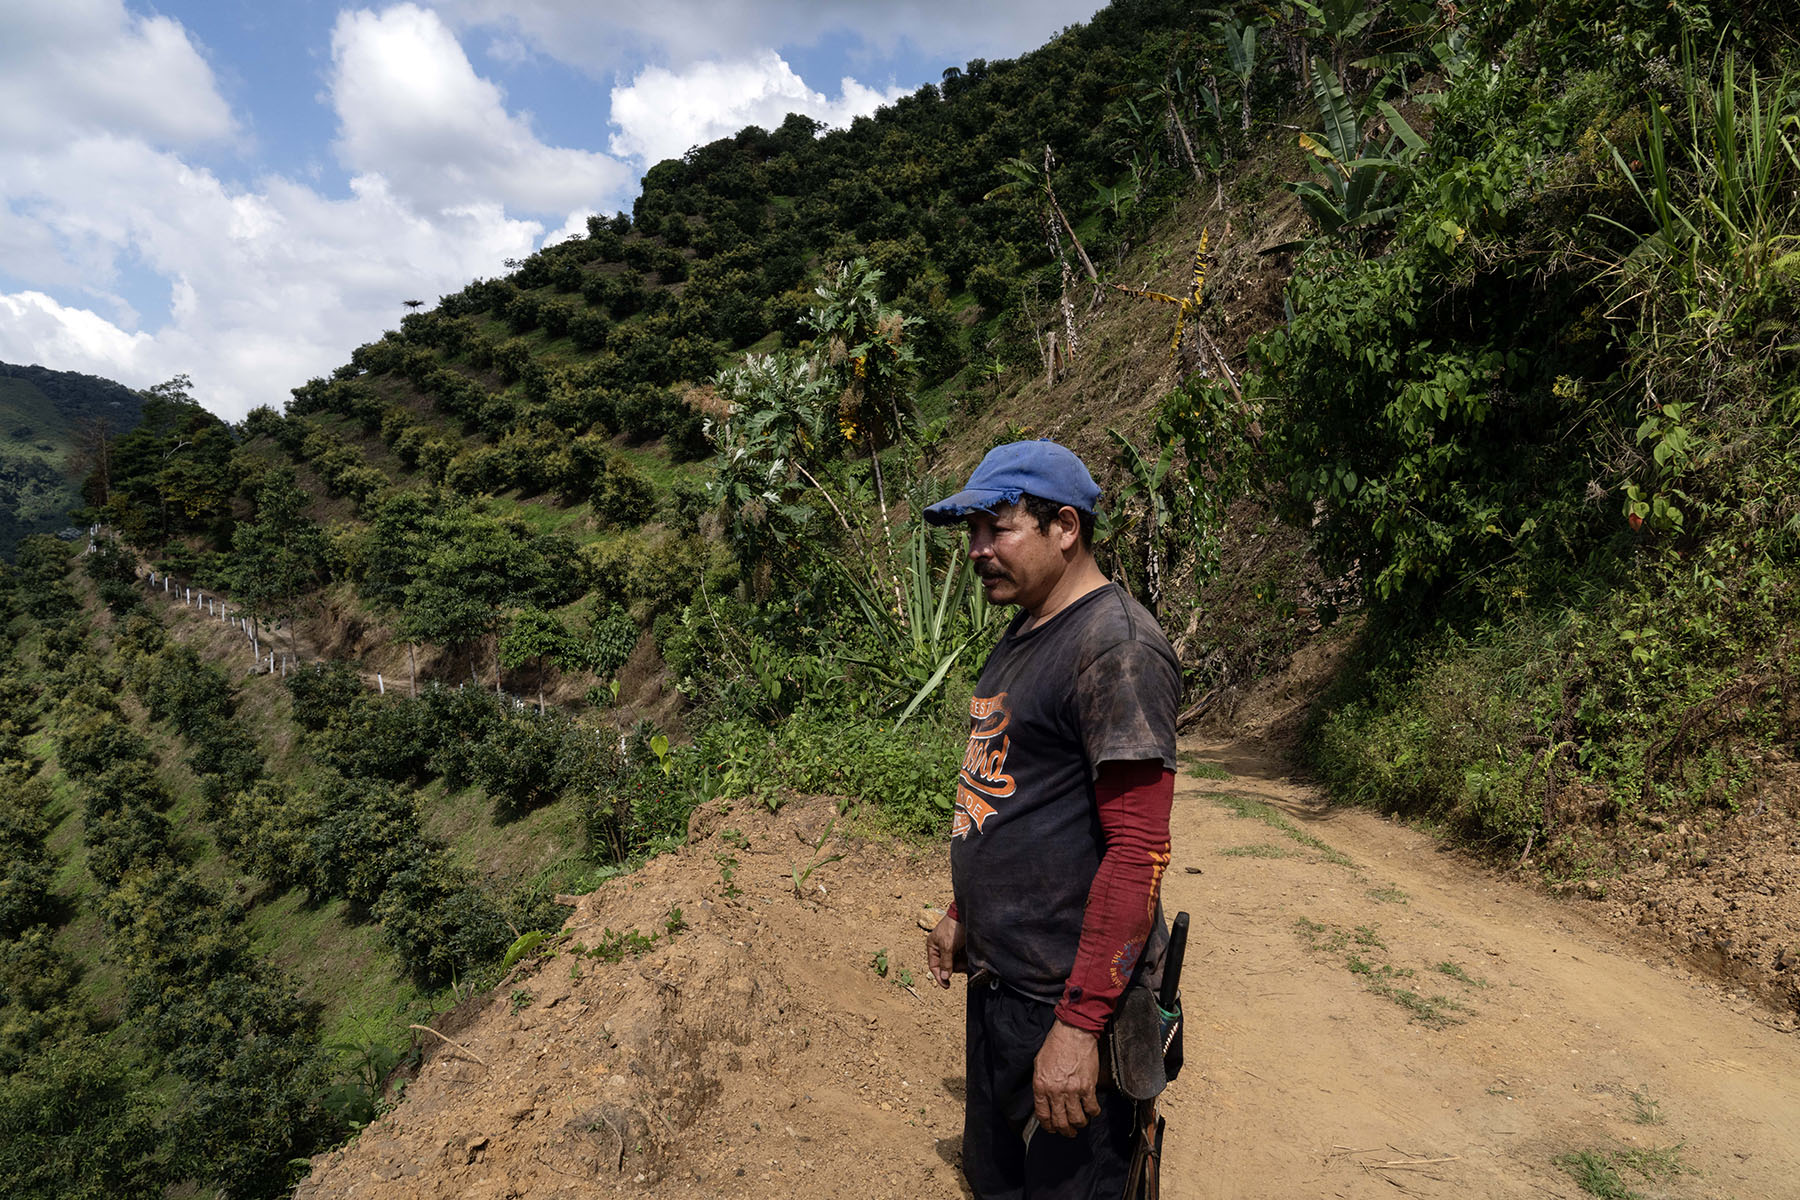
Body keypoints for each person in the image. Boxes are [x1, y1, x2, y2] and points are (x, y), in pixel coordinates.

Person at [921, 439, 1180, 1200]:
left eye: (995, 529)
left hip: (1066, 1006)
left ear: (1065, 527)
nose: (976, 551)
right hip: (1004, 987)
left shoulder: (1116, 649)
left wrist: (1077, 1028)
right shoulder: (1027, 630)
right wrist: (963, 910)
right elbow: (1011, 795)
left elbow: (1138, 851)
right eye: (970, 533)